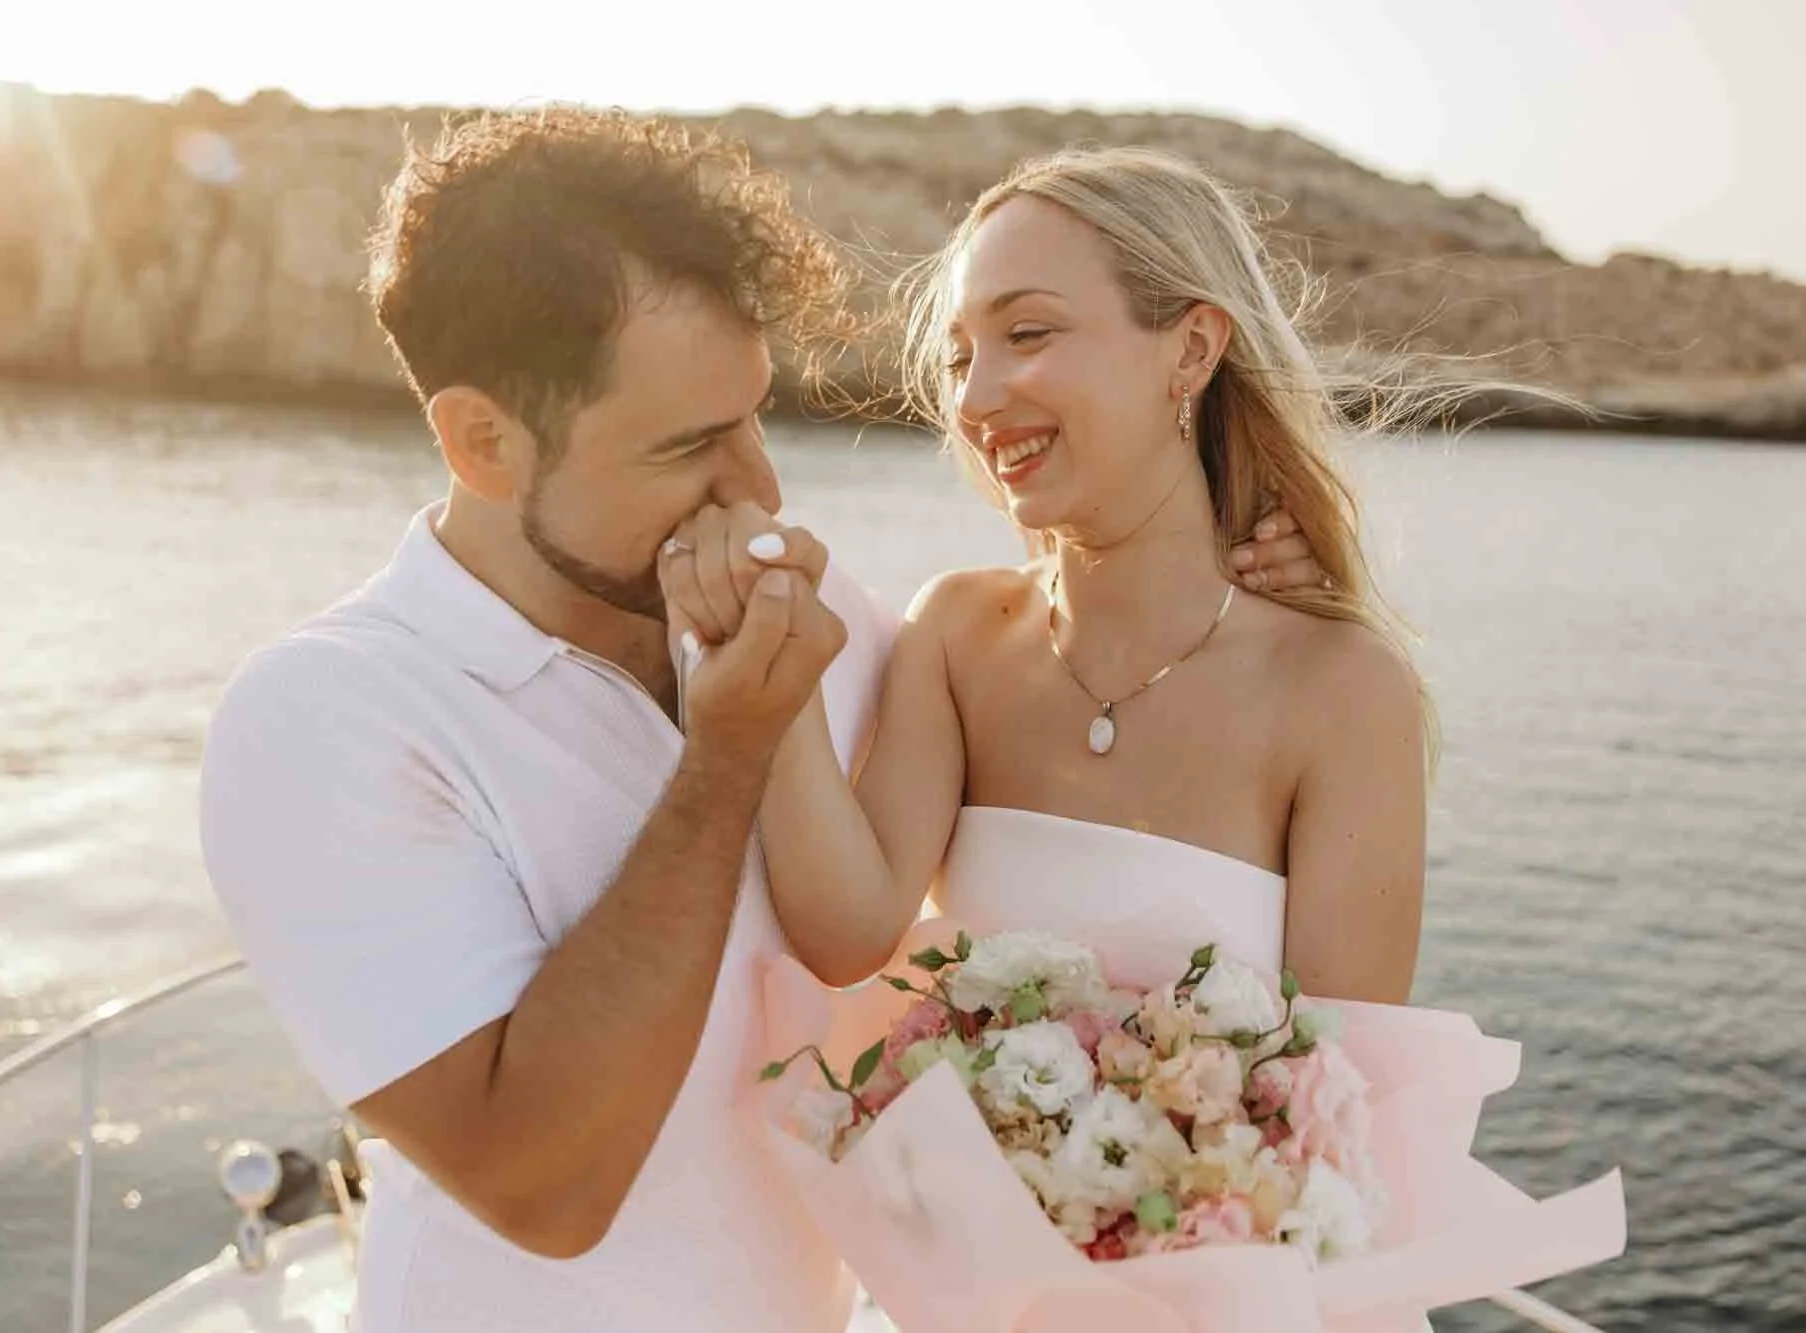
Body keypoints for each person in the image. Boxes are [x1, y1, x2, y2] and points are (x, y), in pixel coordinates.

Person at [197, 110, 1322, 1333]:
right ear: (482, 443)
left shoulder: (815, 604)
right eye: (689, 446)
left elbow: (1028, 778)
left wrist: (1228, 605)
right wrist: (728, 751)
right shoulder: (323, 718)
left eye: (754, 416)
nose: (759, 488)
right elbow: (543, 1184)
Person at [670, 144, 1426, 1017]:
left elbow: (1347, 1089)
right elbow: (848, 936)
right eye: (959, 357)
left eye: (1026, 333)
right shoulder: (958, 633)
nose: (976, 399)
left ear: (1190, 351)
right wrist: (774, 666)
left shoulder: (1343, 688)